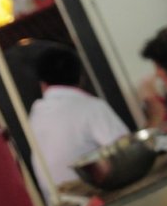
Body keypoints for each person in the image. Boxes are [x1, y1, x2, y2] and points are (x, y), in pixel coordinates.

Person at [27, 44, 129, 192]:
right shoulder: (91, 107)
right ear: (81, 77)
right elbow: (127, 153)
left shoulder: (35, 114)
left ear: (42, 85)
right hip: (99, 202)